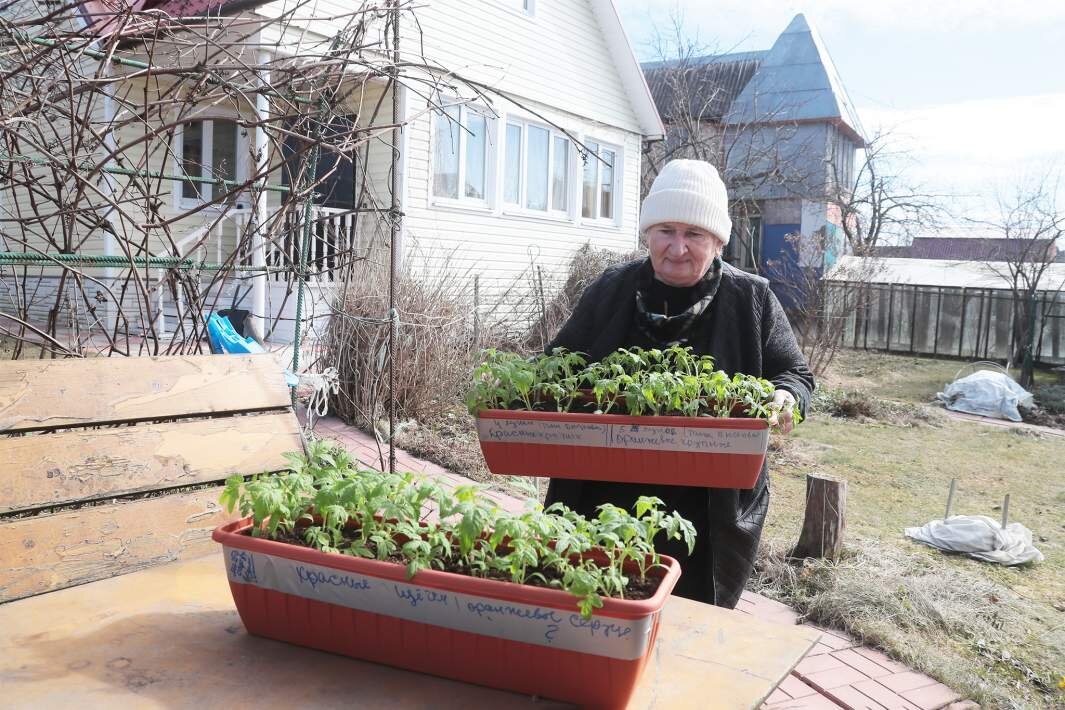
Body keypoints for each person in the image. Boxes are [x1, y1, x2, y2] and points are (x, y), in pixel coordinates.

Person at [545, 159, 815, 608]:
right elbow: (557, 363)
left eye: (694, 234)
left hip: (706, 502)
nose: (677, 247)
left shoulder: (751, 298)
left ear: (717, 241)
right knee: (597, 597)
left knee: (693, 613)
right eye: (666, 230)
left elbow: (794, 373)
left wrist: (785, 397)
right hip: (604, 486)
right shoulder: (612, 289)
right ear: (647, 233)